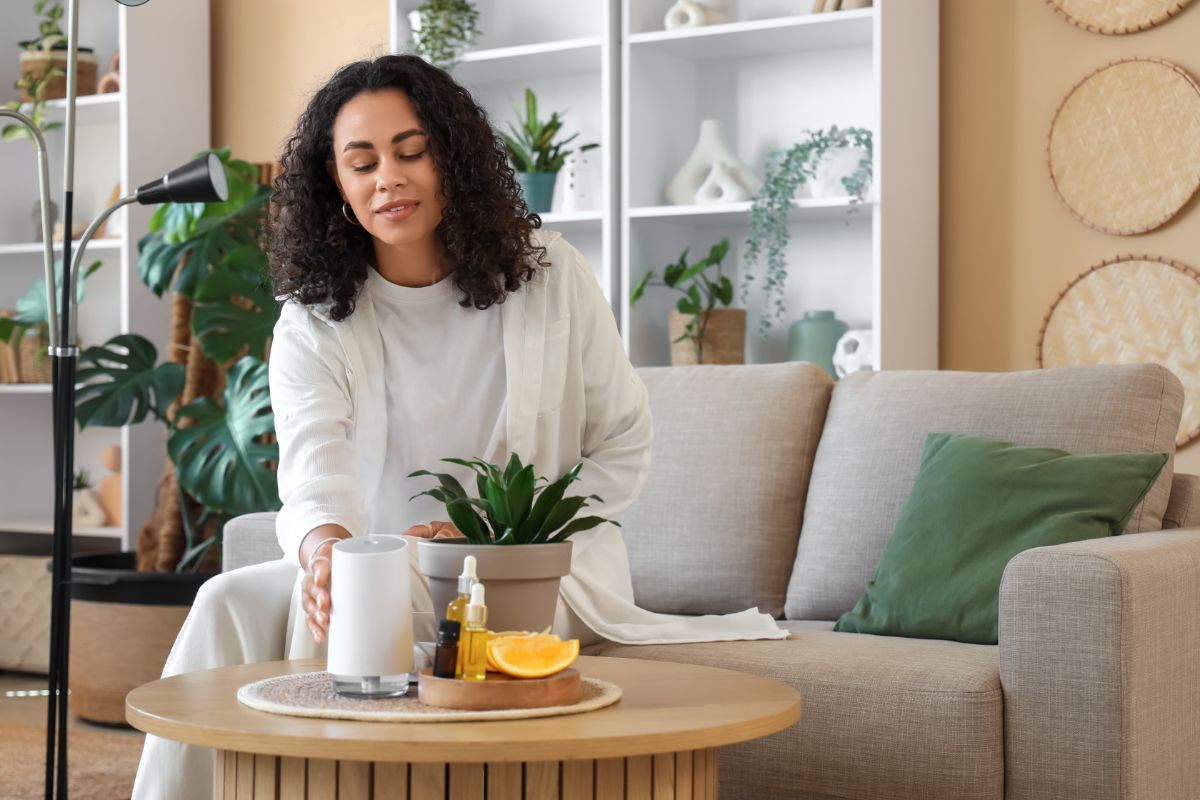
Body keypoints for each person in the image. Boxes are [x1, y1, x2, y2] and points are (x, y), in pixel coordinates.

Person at [132, 54, 783, 800]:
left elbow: (623, 445)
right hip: (377, 561)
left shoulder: (549, 276)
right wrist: (322, 552)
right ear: (335, 186)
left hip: (534, 570)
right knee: (231, 600)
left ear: (454, 159)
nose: (389, 179)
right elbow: (315, 470)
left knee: (362, 595)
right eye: (362, 162)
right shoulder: (315, 319)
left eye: (412, 152)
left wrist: (496, 534)